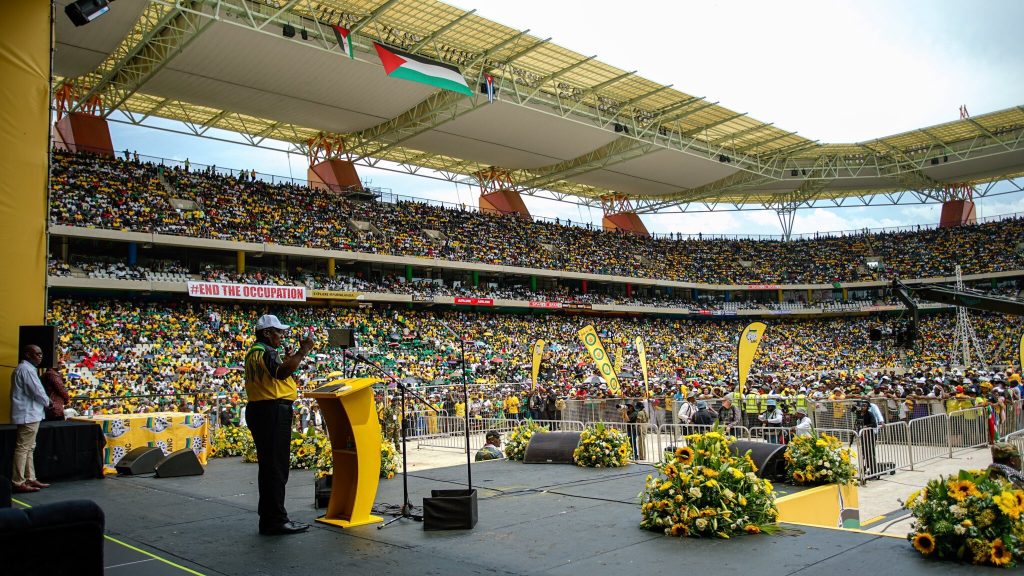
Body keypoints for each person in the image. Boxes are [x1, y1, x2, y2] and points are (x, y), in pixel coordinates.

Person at [244, 314, 314, 535]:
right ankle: (275, 520)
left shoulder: (254, 352)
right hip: (272, 411)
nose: (282, 336)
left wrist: (287, 359)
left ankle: (269, 518)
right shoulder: (265, 351)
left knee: (269, 468)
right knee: (276, 468)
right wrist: (302, 352)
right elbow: (281, 372)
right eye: (278, 332)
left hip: (262, 410)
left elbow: (275, 373)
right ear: (266, 333)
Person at [10, 345, 51, 493]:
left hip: (30, 414)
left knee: (29, 447)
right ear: (28, 354)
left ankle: (29, 478)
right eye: (37, 354)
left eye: (41, 353)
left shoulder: (24, 369)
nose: (40, 356)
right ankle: (18, 481)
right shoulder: (26, 370)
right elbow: (36, 391)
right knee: (23, 448)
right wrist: (48, 402)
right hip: (28, 414)